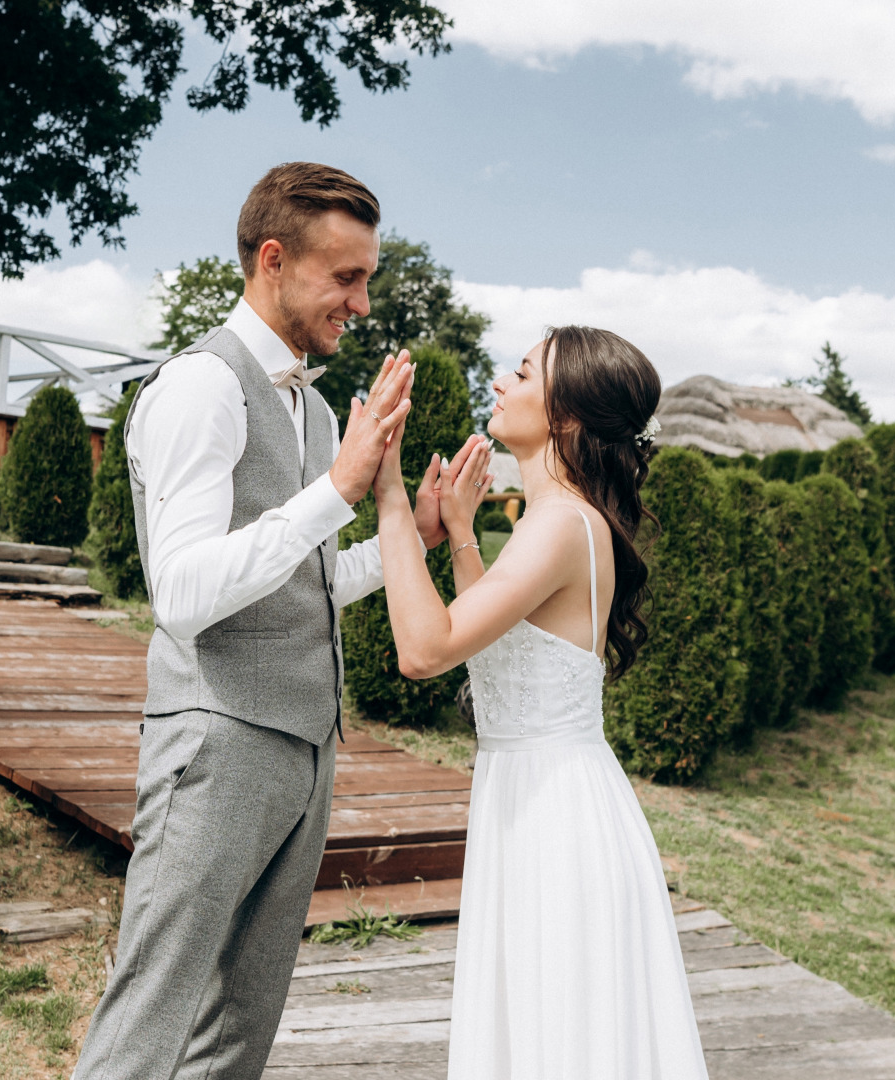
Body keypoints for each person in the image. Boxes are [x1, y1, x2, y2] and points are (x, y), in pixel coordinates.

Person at [71, 162, 448, 1080]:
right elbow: (185, 595)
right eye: (345, 276)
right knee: (151, 1014)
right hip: (216, 741)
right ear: (272, 259)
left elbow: (303, 580)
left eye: (367, 277)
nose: (361, 302)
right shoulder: (201, 386)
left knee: (241, 1027)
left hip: (304, 750)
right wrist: (338, 489)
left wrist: (418, 537)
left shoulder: (316, 409)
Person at [372, 326, 709, 1078]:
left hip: (553, 814)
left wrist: (390, 498)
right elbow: (486, 644)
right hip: (538, 796)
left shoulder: (559, 524)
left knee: (553, 1030)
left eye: (522, 372)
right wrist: (460, 531)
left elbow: (425, 652)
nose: (500, 383)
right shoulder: (556, 519)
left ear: (564, 416)